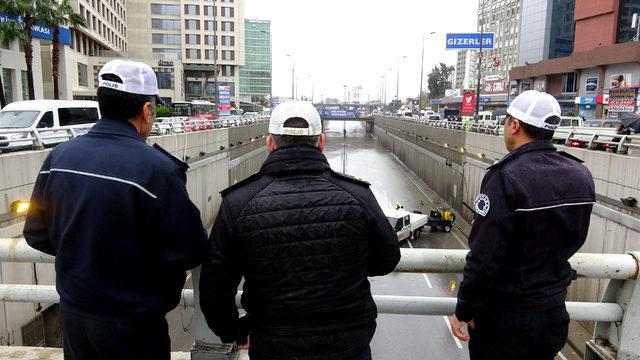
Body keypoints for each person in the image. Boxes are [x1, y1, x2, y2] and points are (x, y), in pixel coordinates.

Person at [23, 59, 207, 359]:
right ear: (147, 110)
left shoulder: (59, 157)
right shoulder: (157, 170)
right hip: (134, 322)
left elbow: (35, 234)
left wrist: (84, 253)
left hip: (75, 314)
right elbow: (192, 249)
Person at [199, 100, 400, 360]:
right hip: (348, 344)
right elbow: (388, 258)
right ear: (321, 142)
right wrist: (350, 264)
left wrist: (233, 331)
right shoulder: (357, 195)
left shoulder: (238, 203)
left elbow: (215, 286)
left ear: (269, 143)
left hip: (273, 344)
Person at [449, 90, 596, 360]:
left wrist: (464, 309)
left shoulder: (504, 177)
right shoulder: (580, 174)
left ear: (514, 125)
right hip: (552, 314)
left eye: (506, 122)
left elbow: (485, 257)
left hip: (505, 321)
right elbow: (576, 237)